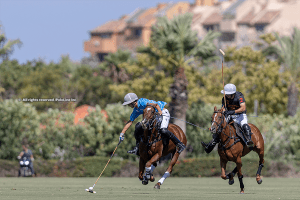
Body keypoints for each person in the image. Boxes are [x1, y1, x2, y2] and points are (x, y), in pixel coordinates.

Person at [119, 93, 186, 156]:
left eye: (129, 104)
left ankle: (179, 144)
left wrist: (160, 112)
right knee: (138, 127)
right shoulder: (136, 110)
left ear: (133, 102)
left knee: (163, 130)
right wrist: (122, 133)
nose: (128, 105)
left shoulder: (143, 102)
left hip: (162, 112)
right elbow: (130, 121)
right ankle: (137, 148)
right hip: (154, 116)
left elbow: (156, 105)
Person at [201, 83, 254, 153]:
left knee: (245, 126)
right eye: (226, 93)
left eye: (228, 94)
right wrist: (223, 112)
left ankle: (249, 141)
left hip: (240, 115)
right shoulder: (224, 98)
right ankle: (211, 145)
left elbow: (243, 108)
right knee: (221, 127)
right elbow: (223, 108)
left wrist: (232, 112)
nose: (226, 95)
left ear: (233, 93)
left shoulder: (239, 96)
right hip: (230, 116)